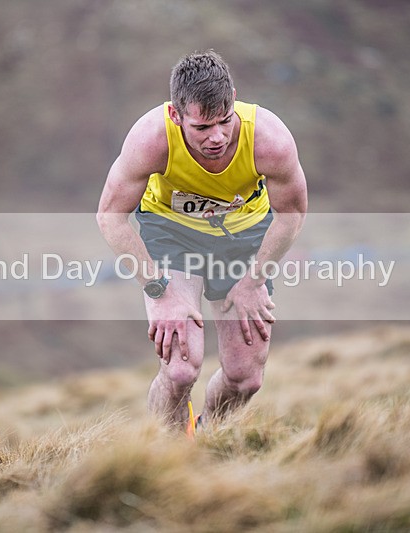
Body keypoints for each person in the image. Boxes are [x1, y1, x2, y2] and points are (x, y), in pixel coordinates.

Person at [97, 50, 307, 431]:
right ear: (176, 115)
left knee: (246, 377)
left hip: (243, 237)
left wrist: (253, 280)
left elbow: (291, 214)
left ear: (234, 99)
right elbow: (110, 217)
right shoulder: (151, 139)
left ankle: (208, 437)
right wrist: (158, 289)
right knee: (180, 369)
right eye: (202, 127)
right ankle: (169, 453)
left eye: (225, 121)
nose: (218, 137)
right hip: (172, 233)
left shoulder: (270, 140)